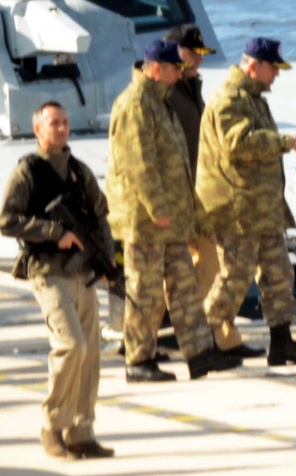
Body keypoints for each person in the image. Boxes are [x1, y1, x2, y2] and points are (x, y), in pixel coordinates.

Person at [105, 39, 241, 382]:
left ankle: (200, 353)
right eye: (174, 70)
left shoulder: (159, 101)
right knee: (146, 293)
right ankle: (138, 360)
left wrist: (187, 211)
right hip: (146, 221)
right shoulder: (135, 104)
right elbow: (139, 165)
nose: (180, 75)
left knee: (184, 288)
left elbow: (176, 163)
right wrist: (158, 209)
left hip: (172, 219)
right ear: (156, 69)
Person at [195, 37, 296, 366]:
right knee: (235, 277)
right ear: (254, 65)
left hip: (261, 209)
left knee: (279, 274)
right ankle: (202, 344)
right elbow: (237, 144)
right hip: (238, 210)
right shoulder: (229, 98)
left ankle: (282, 343)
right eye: (273, 68)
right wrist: (282, 142)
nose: (276, 75)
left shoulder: (253, 98)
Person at [0, 101, 114, 459]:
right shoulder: (28, 171)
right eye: (54, 123)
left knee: (90, 352)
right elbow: (6, 220)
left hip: (83, 272)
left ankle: (81, 431)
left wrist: (108, 262)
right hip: (48, 272)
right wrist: (53, 232)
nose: (62, 128)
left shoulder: (79, 170)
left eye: (65, 122)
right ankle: (52, 425)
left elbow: (101, 216)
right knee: (71, 345)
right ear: (38, 129)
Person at [164, 25, 265, 358]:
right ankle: (176, 340)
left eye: (200, 55)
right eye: (191, 54)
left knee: (212, 268)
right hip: (178, 202)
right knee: (193, 271)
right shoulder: (165, 96)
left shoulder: (190, 89)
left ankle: (220, 339)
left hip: (200, 197)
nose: (197, 61)